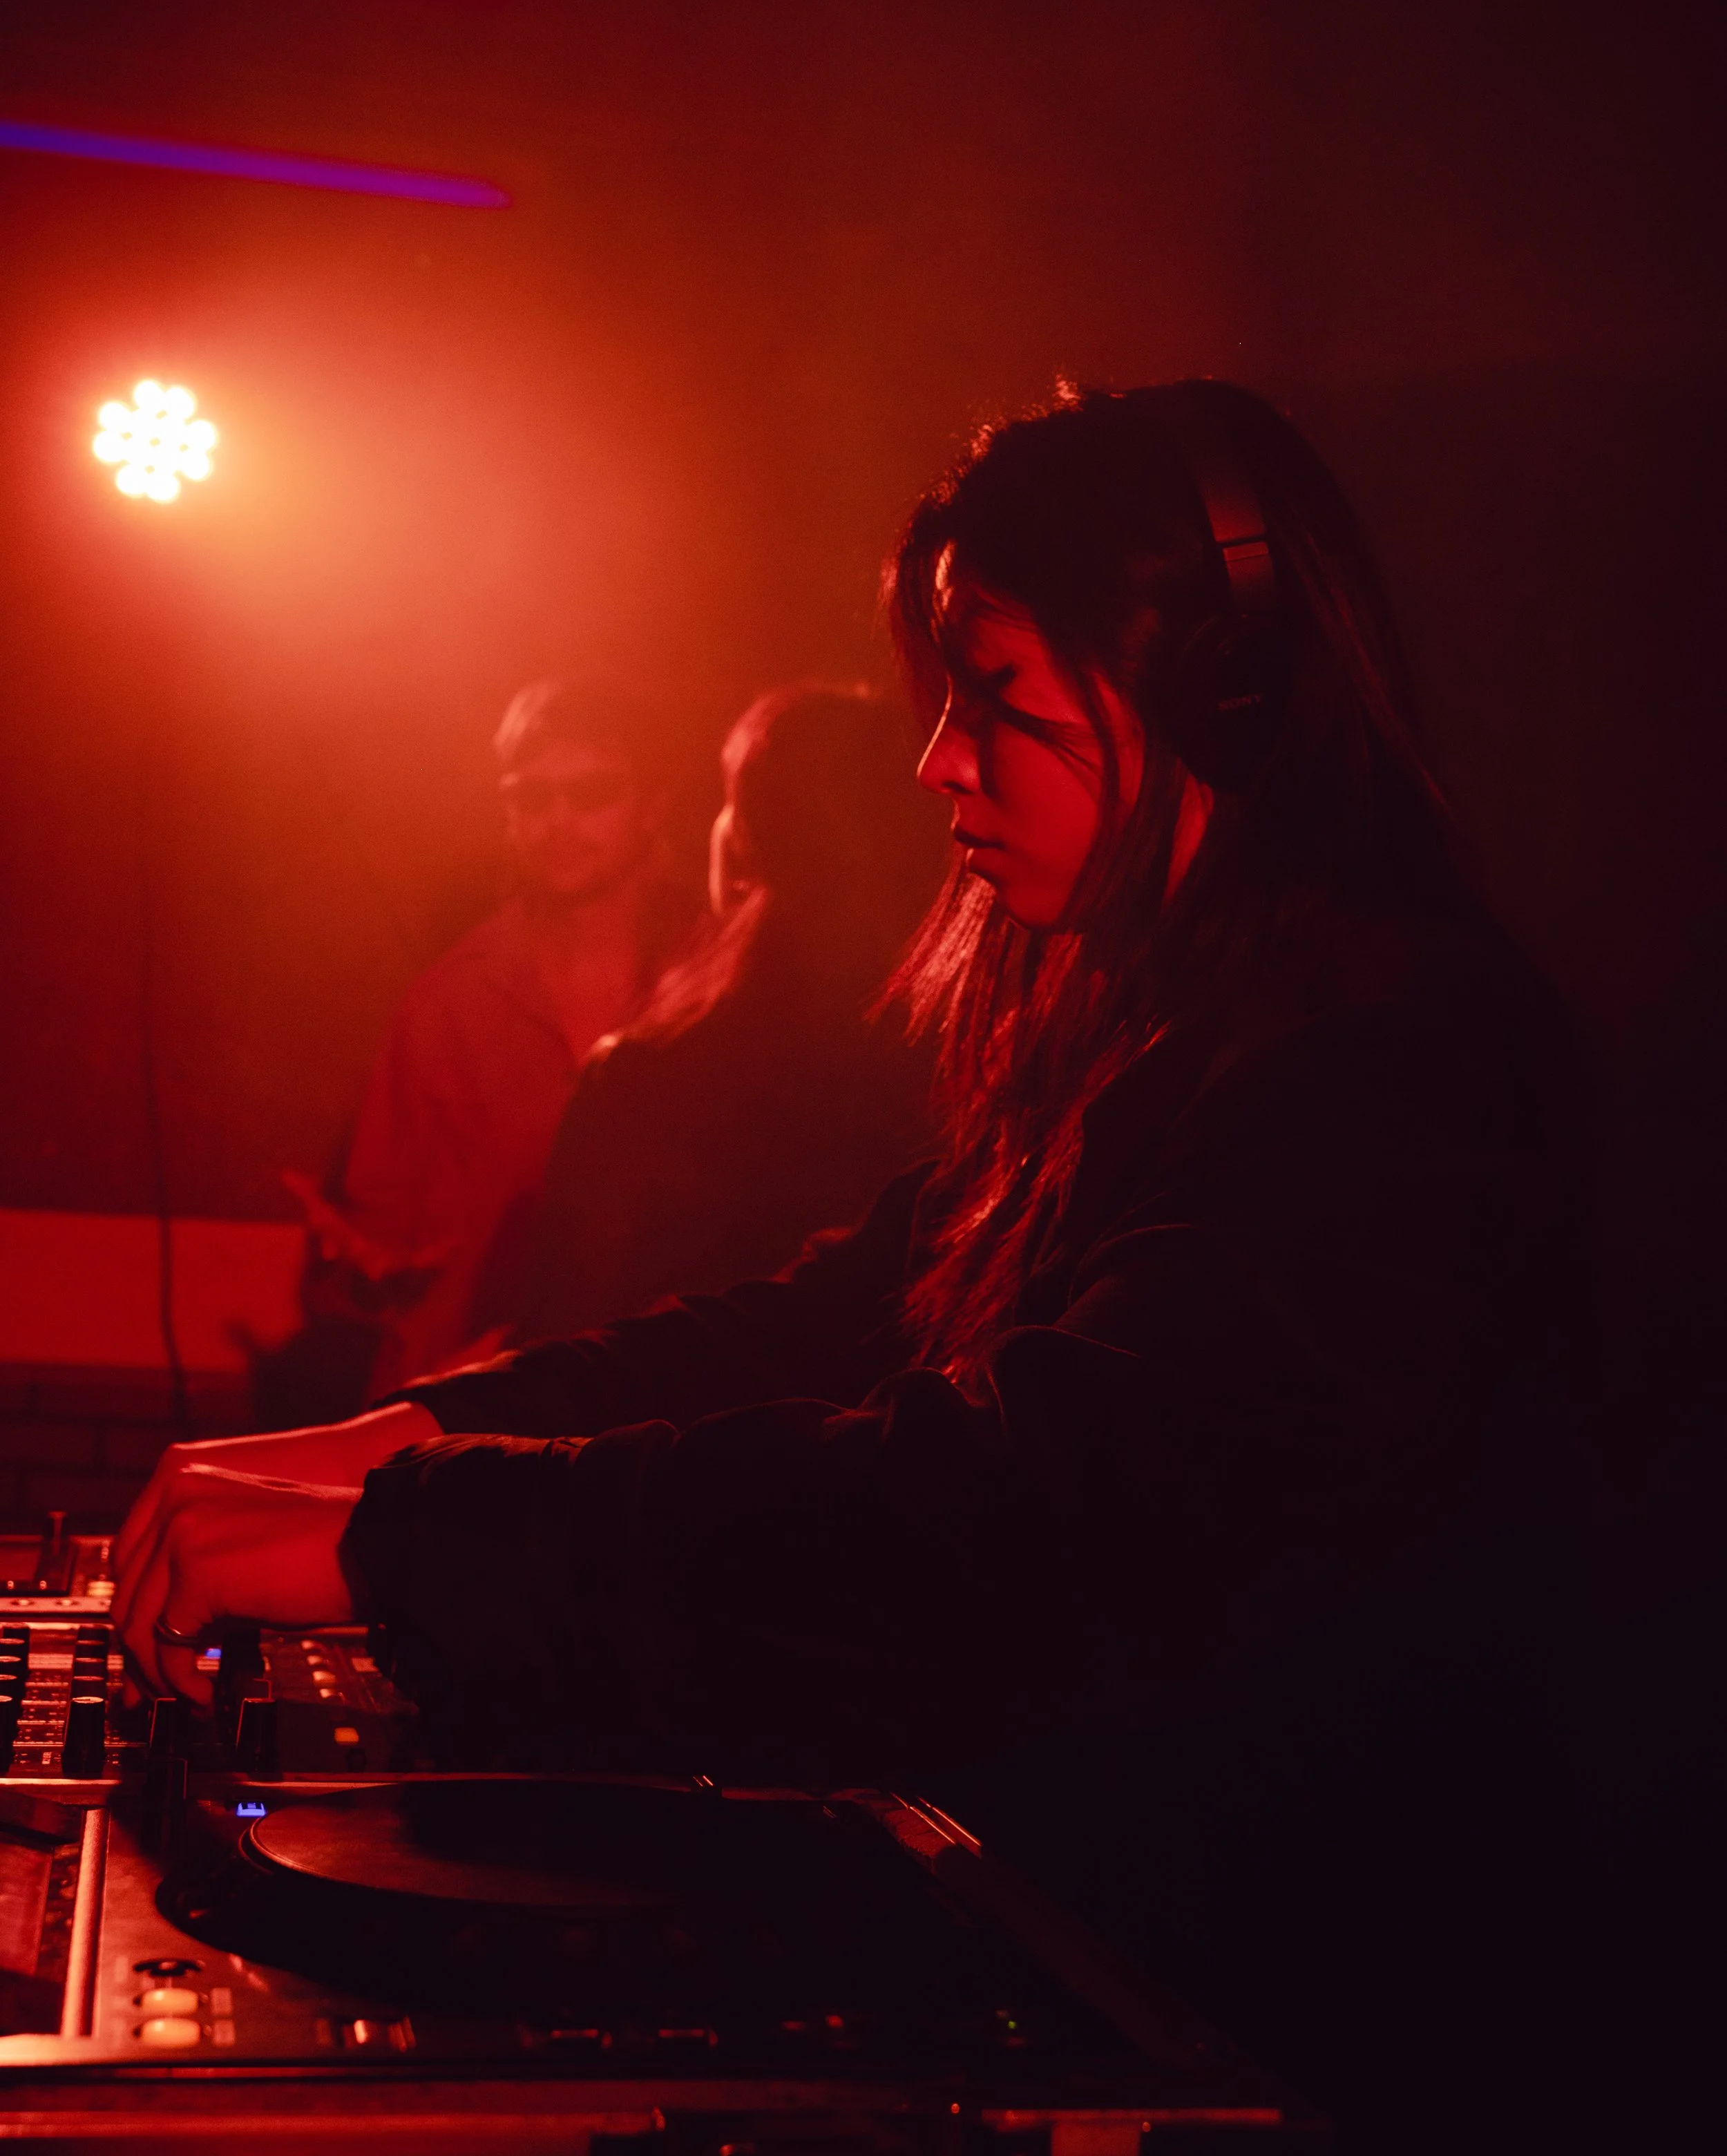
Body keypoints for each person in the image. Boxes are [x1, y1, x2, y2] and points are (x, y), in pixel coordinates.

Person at [115, 383, 1590, 2149]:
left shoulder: (1392, 1061)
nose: (938, 761)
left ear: (1222, 694)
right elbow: (829, 1326)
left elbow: (1013, 1520)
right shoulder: (1153, 1028)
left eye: (998, 697)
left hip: (1310, 2054)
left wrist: (404, 1539)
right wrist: (408, 1435)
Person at [279, 676, 691, 1398]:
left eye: (592, 792)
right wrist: (357, 1269)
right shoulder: (449, 1003)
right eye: (532, 797)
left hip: (658, 1405)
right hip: (464, 1405)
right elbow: (381, 1243)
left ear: (654, 804)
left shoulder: (710, 981)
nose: (559, 821)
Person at [514, 682, 943, 1341]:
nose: (561, 820)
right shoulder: (964, 1062)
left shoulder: (644, 1084)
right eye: (533, 796)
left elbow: (567, 1342)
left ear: (745, 845)